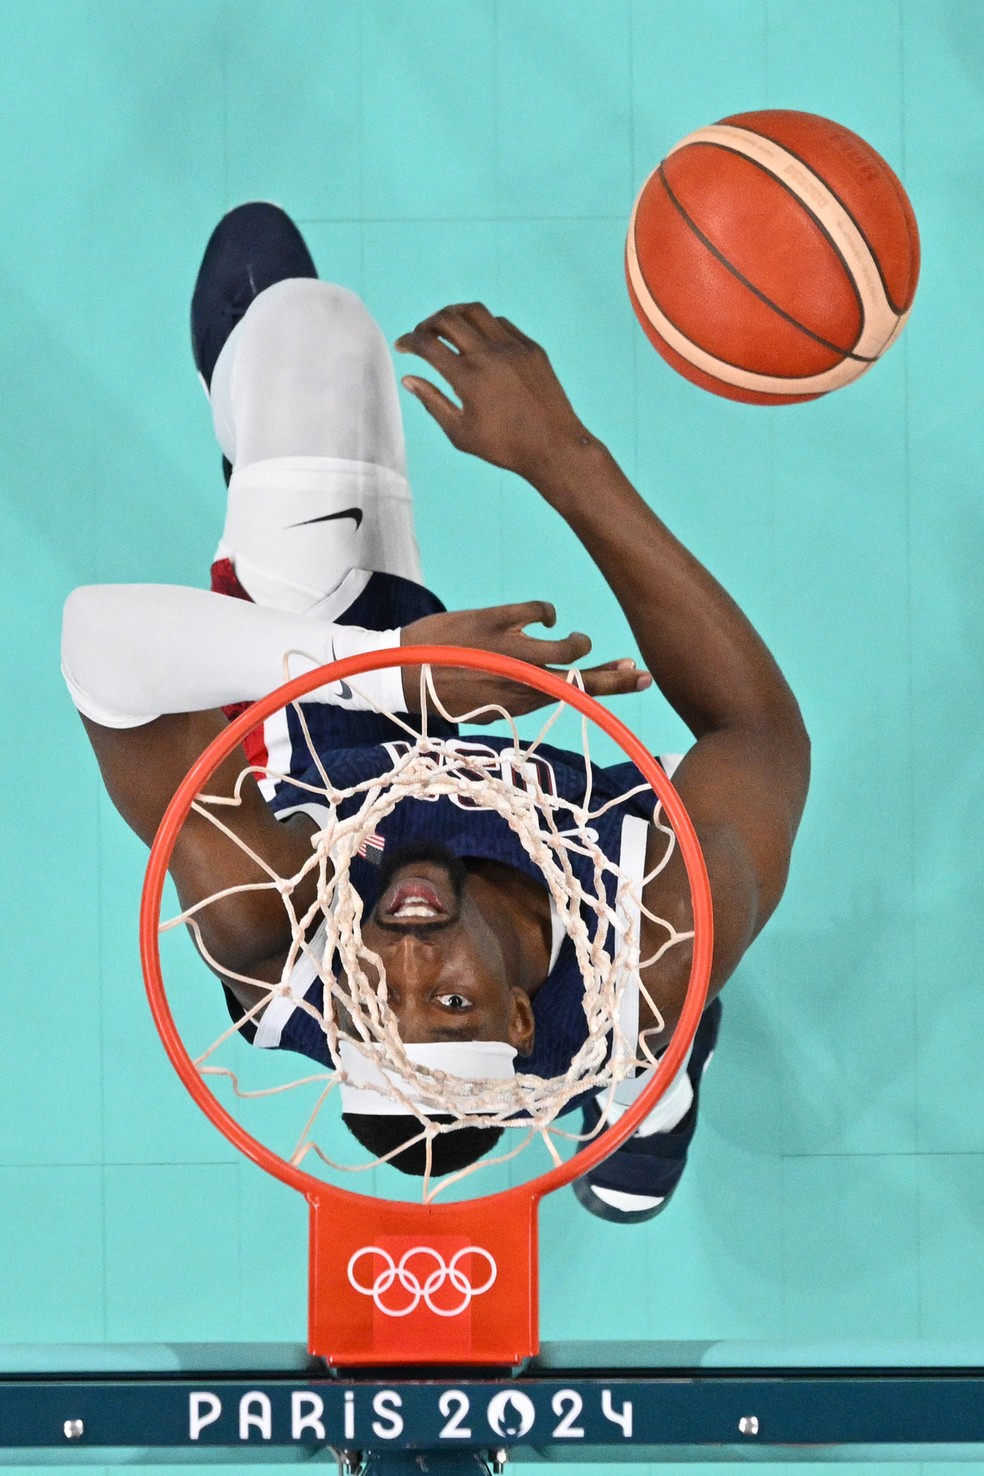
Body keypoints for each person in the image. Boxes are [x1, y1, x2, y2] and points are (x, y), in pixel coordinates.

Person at [61, 204, 809, 1218]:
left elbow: (94, 647)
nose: (407, 954)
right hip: (601, 950)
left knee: (306, 329)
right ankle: (647, 1091)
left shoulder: (270, 929)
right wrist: (562, 455)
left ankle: (261, 474)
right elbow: (757, 735)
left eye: (387, 1000)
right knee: (663, 1013)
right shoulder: (658, 944)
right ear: (514, 1010)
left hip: (348, 756)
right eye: (449, 1003)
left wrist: (388, 672)